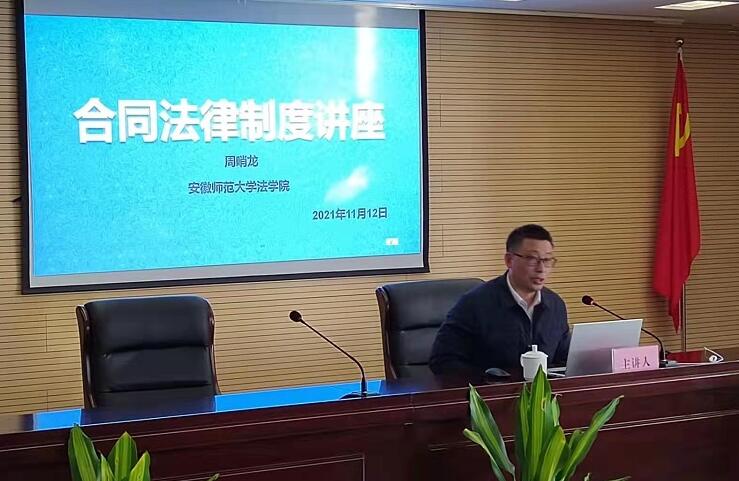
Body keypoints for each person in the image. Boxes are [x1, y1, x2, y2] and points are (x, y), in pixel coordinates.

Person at [429, 224, 570, 378]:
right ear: (509, 260)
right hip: (490, 390)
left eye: (547, 260)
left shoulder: (555, 305)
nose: (541, 269)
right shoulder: (475, 303)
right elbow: (443, 361)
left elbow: (564, 360)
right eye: (532, 259)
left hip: (544, 392)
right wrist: (488, 380)